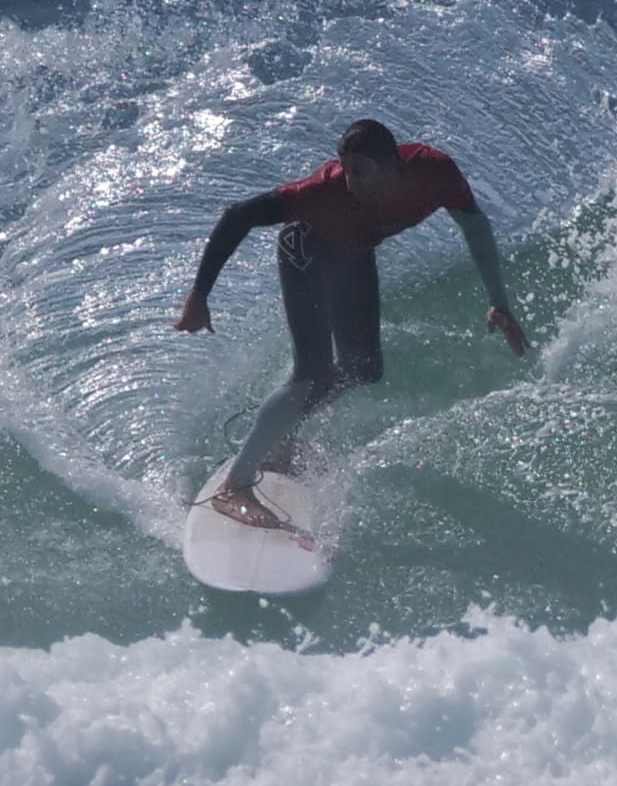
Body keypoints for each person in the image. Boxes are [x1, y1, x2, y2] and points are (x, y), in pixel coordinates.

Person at [172, 117, 527, 527]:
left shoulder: (435, 172)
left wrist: (498, 302)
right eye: (345, 169)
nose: (349, 180)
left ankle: (277, 430)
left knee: (365, 369)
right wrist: (199, 295)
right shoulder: (321, 192)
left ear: (392, 165)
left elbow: (474, 224)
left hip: (354, 255)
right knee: (313, 371)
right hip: (305, 249)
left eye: (361, 171)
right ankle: (234, 485)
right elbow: (238, 216)